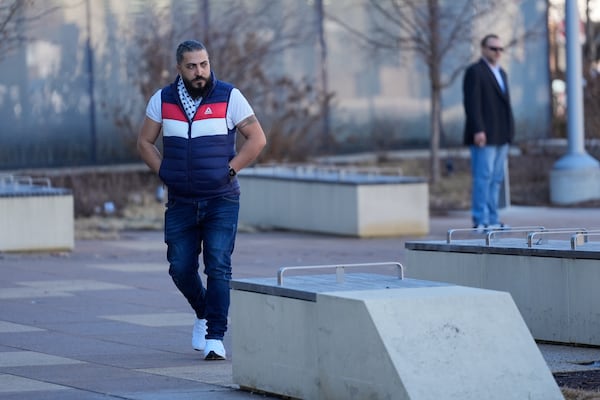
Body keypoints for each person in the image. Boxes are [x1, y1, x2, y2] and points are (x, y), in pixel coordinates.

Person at [137, 40, 267, 360]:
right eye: (192, 66)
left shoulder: (229, 96)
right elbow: (144, 142)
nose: (200, 72)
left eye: (204, 64)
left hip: (222, 199)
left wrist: (231, 170)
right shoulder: (163, 100)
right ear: (179, 68)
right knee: (180, 268)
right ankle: (204, 312)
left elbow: (257, 138)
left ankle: (215, 337)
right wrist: (165, 172)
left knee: (219, 266)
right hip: (181, 201)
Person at [462, 33, 515, 231]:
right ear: (484, 49)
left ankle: (493, 218)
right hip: (484, 135)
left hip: (502, 134)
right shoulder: (475, 72)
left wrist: (510, 131)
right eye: (494, 48)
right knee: (483, 177)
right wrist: (478, 130)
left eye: (500, 49)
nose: (498, 52)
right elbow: (472, 103)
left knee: (496, 178)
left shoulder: (502, 73)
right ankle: (480, 219)